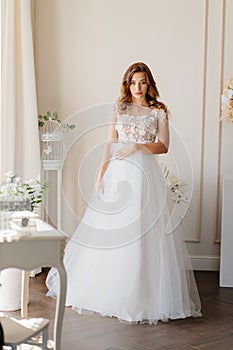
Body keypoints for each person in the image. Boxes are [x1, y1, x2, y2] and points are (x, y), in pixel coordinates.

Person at [46, 62, 201, 324]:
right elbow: (110, 142)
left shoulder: (159, 111)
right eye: (133, 82)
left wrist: (137, 147)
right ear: (127, 84)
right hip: (119, 172)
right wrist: (101, 171)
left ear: (149, 83)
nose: (138, 87)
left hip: (145, 174)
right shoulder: (118, 108)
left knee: (142, 228)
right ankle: (109, 288)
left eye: (142, 82)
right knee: (113, 227)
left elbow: (163, 146)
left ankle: (142, 293)